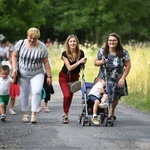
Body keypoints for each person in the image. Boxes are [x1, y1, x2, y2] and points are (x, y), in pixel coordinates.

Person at [11, 27, 52, 123]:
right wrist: (14, 69)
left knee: (37, 91)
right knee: (24, 93)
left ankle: (33, 114)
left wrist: (49, 76)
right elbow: (14, 56)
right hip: (23, 73)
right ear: (27, 35)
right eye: (30, 37)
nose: (32, 40)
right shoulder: (21, 44)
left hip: (37, 73)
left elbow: (46, 63)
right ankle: (25, 114)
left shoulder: (42, 47)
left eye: (35, 39)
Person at [94, 33, 131, 121]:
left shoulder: (123, 52)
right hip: (104, 77)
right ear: (107, 42)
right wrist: (102, 62)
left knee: (115, 95)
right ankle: (105, 111)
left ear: (118, 42)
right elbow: (95, 62)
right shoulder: (102, 51)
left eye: (114, 40)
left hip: (117, 78)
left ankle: (112, 111)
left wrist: (123, 78)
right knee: (105, 91)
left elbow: (128, 66)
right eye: (110, 40)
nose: (112, 42)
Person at [59, 34, 87, 124]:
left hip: (75, 77)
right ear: (68, 43)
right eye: (70, 41)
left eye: (74, 41)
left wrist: (83, 63)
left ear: (77, 42)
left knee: (70, 97)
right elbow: (69, 68)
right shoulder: (64, 54)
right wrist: (80, 61)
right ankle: (65, 114)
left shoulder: (81, 53)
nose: (72, 43)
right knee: (66, 95)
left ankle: (66, 113)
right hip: (64, 76)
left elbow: (82, 66)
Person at [2, 50, 20, 115]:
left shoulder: (17, 64)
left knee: (12, 96)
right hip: (4, 82)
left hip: (12, 81)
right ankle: (3, 107)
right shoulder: (5, 63)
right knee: (4, 95)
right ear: (9, 57)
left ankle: (11, 109)